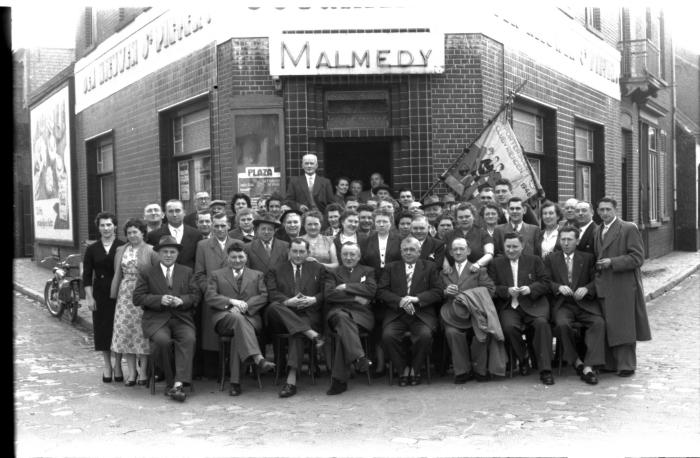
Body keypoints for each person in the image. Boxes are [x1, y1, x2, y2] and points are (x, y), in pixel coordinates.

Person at [133, 235, 201, 402]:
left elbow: (196, 296)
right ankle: (172, 384)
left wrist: (182, 300)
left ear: (177, 254)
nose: (169, 255)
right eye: (165, 252)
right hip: (156, 319)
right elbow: (138, 298)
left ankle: (178, 383)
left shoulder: (186, 272)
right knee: (163, 342)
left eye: (172, 252)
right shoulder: (147, 272)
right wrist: (159, 300)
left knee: (188, 339)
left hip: (181, 318)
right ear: (158, 253)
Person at [206, 242, 275, 396]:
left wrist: (245, 306)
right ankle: (258, 358)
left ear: (246, 257)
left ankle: (235, 383)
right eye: (233, 257)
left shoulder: (257, 275)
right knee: (237, 320)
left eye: (240, 256)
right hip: (224, 318)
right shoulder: (216, 274)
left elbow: (263, 295)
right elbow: (210, 296)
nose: (237, 260)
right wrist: (231, 302)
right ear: (228, 258)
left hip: (250, 318)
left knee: (239, 328)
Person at [594, 197, 651, 377]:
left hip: (623, 285)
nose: (605, 213)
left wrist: (613, 262)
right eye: (601, 210)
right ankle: (610, 364)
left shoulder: (628, 228)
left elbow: (638, 258)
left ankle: (626, 365)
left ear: (615, 210)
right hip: (604, 284)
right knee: (608, 324)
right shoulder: (598, 230)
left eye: (608, 210)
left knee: (624, 325)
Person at [488, 232, 554, 385]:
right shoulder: (496, 263)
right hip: (510, 305)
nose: (511, 250)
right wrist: (506, 291)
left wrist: (531, 289)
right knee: (508, 327)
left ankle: (545, 369)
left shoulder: (534, 260)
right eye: (508, 247)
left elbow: (546, 282)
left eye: (514, 246)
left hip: (533, 304)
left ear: (522, 246)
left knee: (542, 325)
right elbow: (491, 287)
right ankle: (523, 357)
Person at [264, 238, 326, 397]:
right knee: (274, 305)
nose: (298, 255)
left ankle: (290, 381)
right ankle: (311, 334)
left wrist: (314, 299)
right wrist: (287, 302)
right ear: (288, 252)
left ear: (308, 253)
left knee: (297, 333)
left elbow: (326, 292)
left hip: (307, 315)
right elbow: (271, 293)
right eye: (295, 251)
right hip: (281, 316)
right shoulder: (275, 269)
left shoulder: (318, 268)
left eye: (302, 252)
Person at [378, 236, 443, 386]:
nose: (408, 252)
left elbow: (438, 292)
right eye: (405, 250)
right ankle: (402, 370)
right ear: (401, 252)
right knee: (388, 336)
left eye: (412, 249)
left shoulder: (430, 267)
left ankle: (416, 369)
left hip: (421, 314)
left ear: (419, 252)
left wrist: (416, 299)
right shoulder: (390, 267)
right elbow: (381, 291)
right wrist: (400, 301)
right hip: (396, 314)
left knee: (424, 336)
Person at [545, 226, 605, 385]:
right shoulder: (552, 259)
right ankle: (576, 361)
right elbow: (545, 281)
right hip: (563, 304)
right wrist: (557, 287)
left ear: (577, 241)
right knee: (562, 325)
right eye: (562, 239)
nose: (565, 243)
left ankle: (589, 366)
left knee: (599, 323)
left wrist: (587, 288)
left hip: (584, 304)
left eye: (569, 239)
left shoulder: (587, 258)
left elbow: (597, 279)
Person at [440, 237, 500, 383]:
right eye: (455, 249)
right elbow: (436, 293)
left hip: (475, 312)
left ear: (468, 251)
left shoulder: (479, 270)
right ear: (451, 253)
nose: (459, 252)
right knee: (452, 332)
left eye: (462, 249)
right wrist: (445, 291)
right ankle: (462, 371)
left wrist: (469, 295)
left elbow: (491, 290)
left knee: (481, 330)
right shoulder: (444, 272)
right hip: (453, 314)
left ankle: (480, 369)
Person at [110, 218, 159, 386]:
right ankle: (131, 373)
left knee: (141, 334)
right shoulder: (121, 250)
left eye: (135, 232)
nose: (132, 235)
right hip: (124, 296)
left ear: (143, 233)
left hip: (143, 295)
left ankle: (144, 372)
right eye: (129, 233)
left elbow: (156, 275)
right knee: (125, 334)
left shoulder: (151, 251)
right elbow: (117, 272)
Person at [323, 242, 377, 395]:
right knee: (341, 317)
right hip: (338, 313)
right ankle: (359, 357)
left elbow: (371, 290)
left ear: (359, 256)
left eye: (352, 254)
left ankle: (339, 380)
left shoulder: (368, 271)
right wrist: (356, 298)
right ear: (340, 256)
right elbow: (329, 294)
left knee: (343, 335)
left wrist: (346, 287)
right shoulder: (333, 272)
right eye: (345, 254)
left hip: (362, 317)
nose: (348, 257)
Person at [82, 212, 126, 383]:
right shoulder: (92, 249)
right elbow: (87, 275)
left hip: (120, 294)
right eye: (102, 225)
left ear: (115, 226)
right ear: (98, 228)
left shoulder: (123, 246)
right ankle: (107, 365)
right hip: (100, 295)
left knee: (119, 330)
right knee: (103, 331)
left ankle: (118, 365)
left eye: (109, 225)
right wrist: (90, 297)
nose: (106, 228)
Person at [194, 212, 237, 370]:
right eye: (216, 225)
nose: (220, 229)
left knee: (235, 331)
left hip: (234, 296)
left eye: (223, 225)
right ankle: (214, 369)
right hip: (211, 297)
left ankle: (234, 366)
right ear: (212, 226)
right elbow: (199, 274)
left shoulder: (237, 243)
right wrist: (211, 292)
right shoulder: (203, 245)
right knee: (211, 335)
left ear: (229, 226)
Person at [146, 199, 202, 270]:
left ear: (184, 212)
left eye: (178, 211)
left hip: (189, 278)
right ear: (165, 213)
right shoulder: (153, 236)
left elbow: (198, 261)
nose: (174, 214)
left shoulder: (196, 234)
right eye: (171, 211)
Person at [443, 203, 494, 272]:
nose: (464, 219)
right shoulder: (449, 235)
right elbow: (440, 253)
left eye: (467, 216)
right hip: (452, 274)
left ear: (473, 216)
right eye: (461, 217)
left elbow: (489, 254)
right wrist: (445, 264)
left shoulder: (483, 234)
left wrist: (478, 264)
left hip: (477, 273)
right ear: (456, 219)